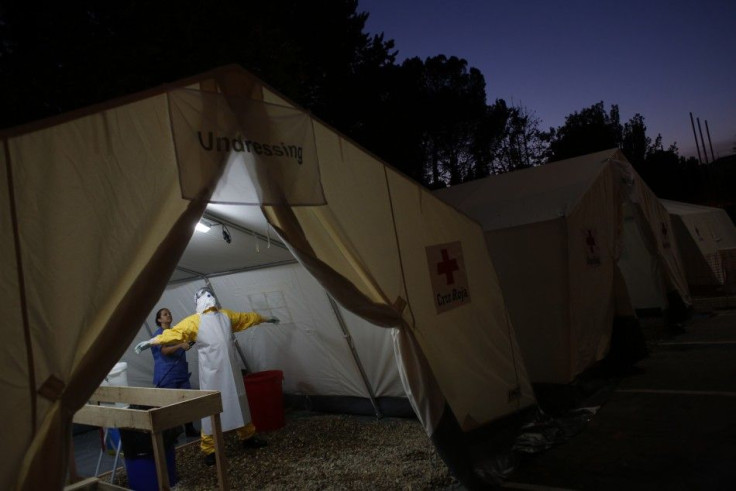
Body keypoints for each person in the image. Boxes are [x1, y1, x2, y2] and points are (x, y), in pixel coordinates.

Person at [135, 287, 280, 466]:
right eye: (205, 295)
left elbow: (246, 318)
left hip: (231, 371)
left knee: (238, 402)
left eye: (209, 294)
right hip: (212, 374)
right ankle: (210, 449)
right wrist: (151, 342)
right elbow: (174, 333)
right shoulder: (195, 321)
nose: (209, 297)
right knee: (210, 407)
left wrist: (264, 319)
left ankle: (247, 436)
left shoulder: (226, 316)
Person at [151, 307, 199, 437]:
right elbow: (164, 351)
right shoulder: (158, 334)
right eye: (165, 314)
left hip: (180, 373)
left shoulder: (176, 332)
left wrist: (186, 344)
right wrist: (180, 345)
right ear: (159, 319)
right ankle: (171, 435)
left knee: (186, 402)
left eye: (169, 313)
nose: (168, 316)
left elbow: (181, 348)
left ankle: (189, 429)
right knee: (170, 406)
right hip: (167, 374)